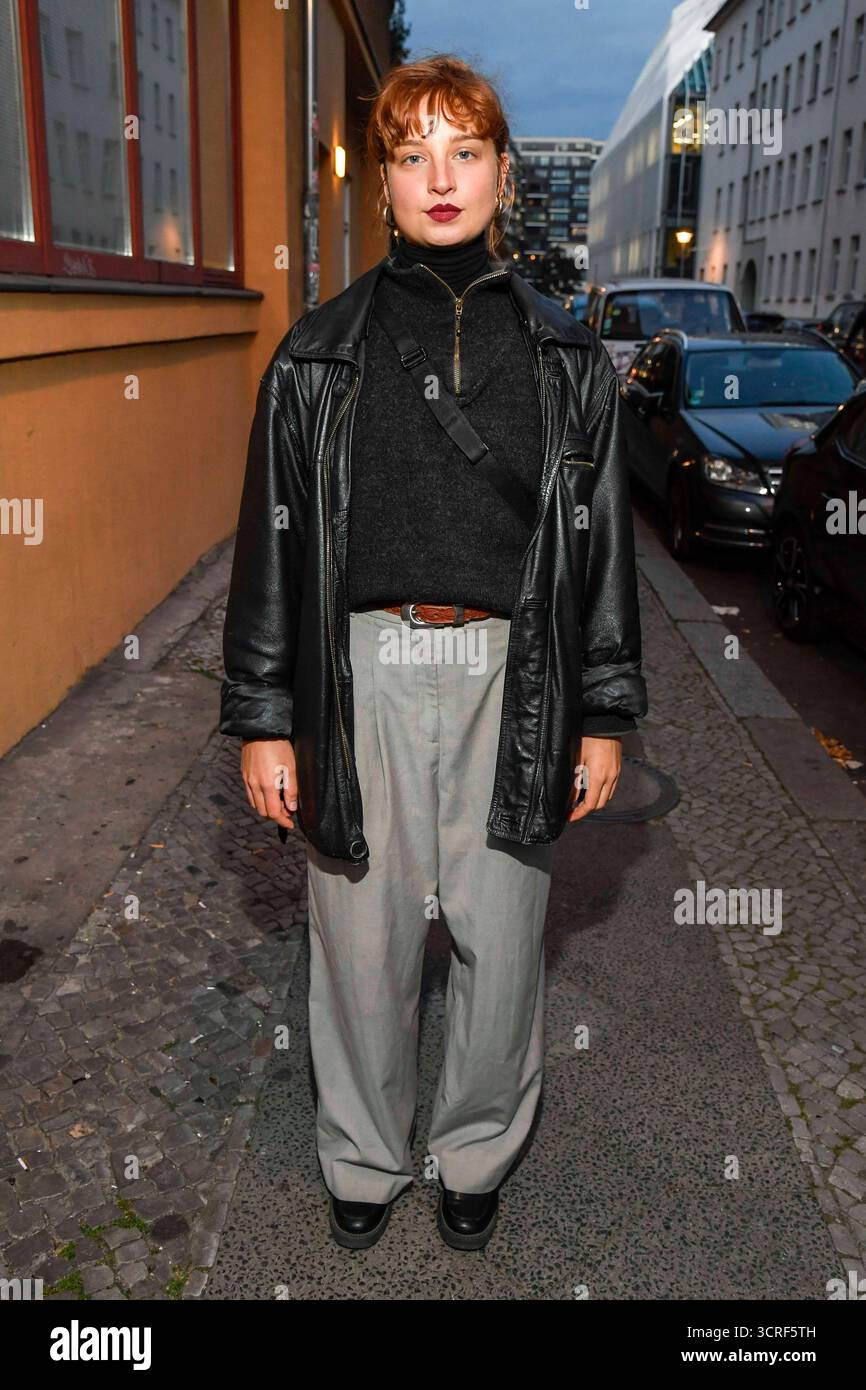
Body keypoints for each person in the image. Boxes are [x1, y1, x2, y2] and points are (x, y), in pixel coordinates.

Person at [220, 54, 647, 1253]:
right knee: (356, 939)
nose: (439, 178)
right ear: (388, 183)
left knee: (500, 939)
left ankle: (474, 1146)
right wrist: (262, 714)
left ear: (504, 174)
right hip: (356, 672)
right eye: (412, 154)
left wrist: (603, 711)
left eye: (464, 152)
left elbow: (605, 552)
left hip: (514, 678)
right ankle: (361, 1150)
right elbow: (270, 552)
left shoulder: (569, 362)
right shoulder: (314, 355)